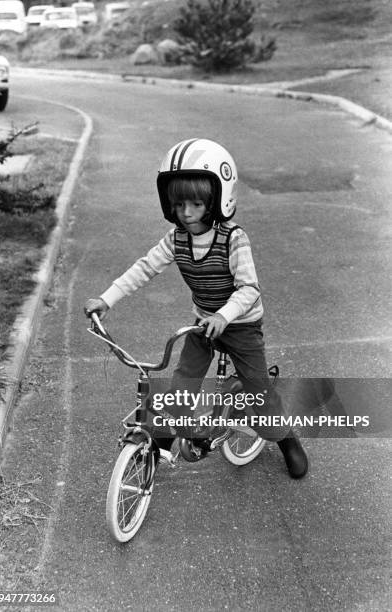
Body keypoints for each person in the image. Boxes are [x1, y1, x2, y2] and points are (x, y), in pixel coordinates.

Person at [84, 138, 308, 479]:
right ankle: (158, 444)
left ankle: (286, 439)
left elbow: (249, 289)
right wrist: (106, 299)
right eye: (178, 204)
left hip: (241, 326)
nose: (186, 213)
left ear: (217, 200)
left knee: (259, 395)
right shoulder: (176, 239)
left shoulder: (233, 239)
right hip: (203, 326)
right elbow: (143, 268)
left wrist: (224, 316)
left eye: (196, 204)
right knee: (180, 388)